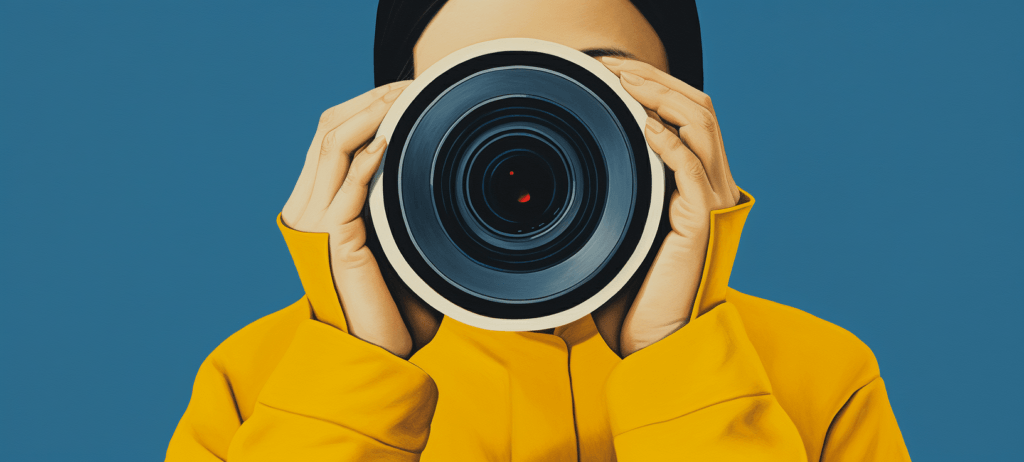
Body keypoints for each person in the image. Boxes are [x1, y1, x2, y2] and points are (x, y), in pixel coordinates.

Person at [166, 0, 911, 460]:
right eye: (478, 85)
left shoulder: (820, 380)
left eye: (596, 84)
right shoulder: (256, 385)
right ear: (390, 127)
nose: (534, 129)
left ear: (686, 113)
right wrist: (353, 376)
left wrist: (679, 363)